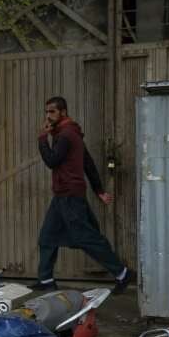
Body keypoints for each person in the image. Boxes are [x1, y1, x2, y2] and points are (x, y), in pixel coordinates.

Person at [31, 96, 130, 294]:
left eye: (52, 112)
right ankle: (46, 280)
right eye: (46, 112)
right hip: (62, 196)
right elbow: (88, 163)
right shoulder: (69, 132)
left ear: (63, 112)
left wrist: (42, 138)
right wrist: (99, 191)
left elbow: (52, 161)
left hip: (69, 196)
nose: (48, 116)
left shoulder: (67, 135)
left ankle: (123, 273)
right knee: (47, 238)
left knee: (87, 238)